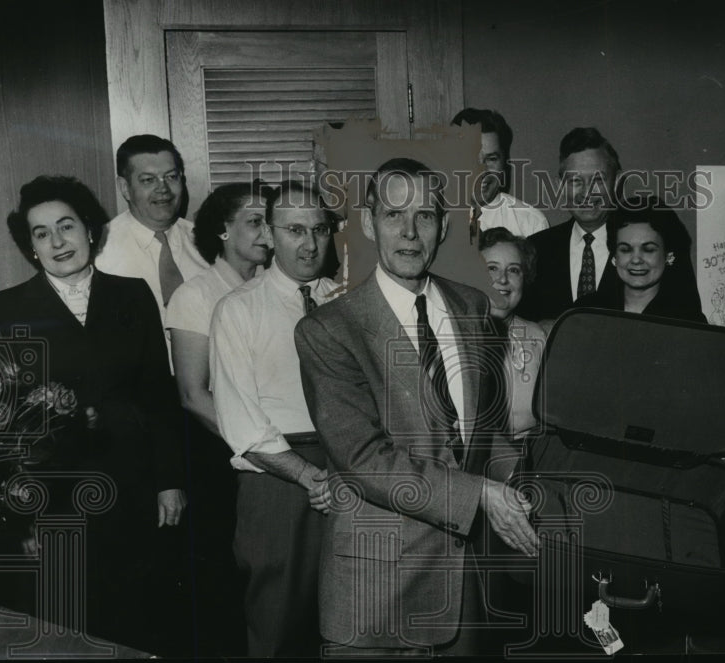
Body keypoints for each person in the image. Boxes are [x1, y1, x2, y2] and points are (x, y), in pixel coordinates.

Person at [294, 158, 538, 655]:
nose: (409, 233)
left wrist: (532, 485)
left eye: (424, 216)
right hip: (374, 595)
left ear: (444, 226)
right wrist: (482, 497)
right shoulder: (328, 330)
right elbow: (364, 461)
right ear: (367, 222)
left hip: (462, 590)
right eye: (393, 215)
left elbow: (482, 435)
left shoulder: (473, 306)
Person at [0, 176, 187, 654]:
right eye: (41, 233)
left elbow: (158, 393)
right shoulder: (6, 307)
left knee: (135, 618)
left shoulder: (132, 295)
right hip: (53, 495)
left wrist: (168, 479)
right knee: (66, 623)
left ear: (90, 230)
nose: (57, 242)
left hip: (132, 484)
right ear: (30, 247)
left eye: (66, 226)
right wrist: (19, 518)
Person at [209, 179, 337, 658]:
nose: (309, 243)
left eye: (320, 230)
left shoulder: (348, 303)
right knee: (279, 629)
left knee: (352, 623)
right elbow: (242, 424)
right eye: (295, 230)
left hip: (349, 471)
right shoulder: (237, 310)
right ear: (270, 234)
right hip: (278, 482)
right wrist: (311, 476)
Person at [165, 181, 273, 655]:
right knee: (230, 588)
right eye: (255, 221)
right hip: (221, 458)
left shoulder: (279, 289)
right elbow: (192, 394)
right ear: (223, 231)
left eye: (271, 221)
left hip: (276, 451)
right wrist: (259, 447)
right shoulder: (197, 295)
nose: (268, 232)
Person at [516, 127, 623, 323]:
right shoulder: (535, 250)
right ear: (560, 187)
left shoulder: (643, 250)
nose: (586, 193)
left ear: (615, 183)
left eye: (598, 180)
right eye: (575, 181)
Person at [96, 134, 208, 321]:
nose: (163, 188)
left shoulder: (207, 241)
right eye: (148, 180)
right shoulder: (99, 251)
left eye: (171, 177)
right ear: (124, 187)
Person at [576, 204, 706, 322]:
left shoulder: (688, 321)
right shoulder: (584, 312)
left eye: (648, 250)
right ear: (614, 257)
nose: (636, 259)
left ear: (668, 256)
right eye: (625, 250)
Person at [479, 227, 547, 440]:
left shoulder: (538, 336)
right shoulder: (451, 335)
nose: (503, 279)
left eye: (514, 270)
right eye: (492, 268)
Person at [451, 108, 548, 239]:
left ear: (504, 163)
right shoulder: (434, 219)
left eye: (491, 159)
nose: (482, 171)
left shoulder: (531, 224)